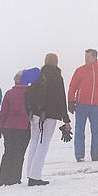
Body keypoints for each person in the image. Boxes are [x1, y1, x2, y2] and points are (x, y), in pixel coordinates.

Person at [24, 54, 72, 186]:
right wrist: (66, 120)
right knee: (43, 144)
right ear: (56, 62)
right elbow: (61, 99)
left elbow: (28, 94)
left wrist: (30, 111)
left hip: (35, 115)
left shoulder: (37, 76)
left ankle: (30, 172)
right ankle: (35, 176)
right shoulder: (57, 77)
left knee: (34, 141)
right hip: (49, 115)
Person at [0, 70, 30, 186]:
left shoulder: (9, 93)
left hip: (9, 127)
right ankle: (15, 178)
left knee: (8, 153)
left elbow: (3, 112)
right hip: (24, 127)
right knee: (19, 154)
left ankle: (3, 179)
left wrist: (0, 127)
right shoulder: (30, 93)